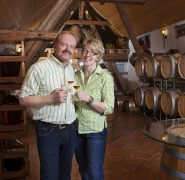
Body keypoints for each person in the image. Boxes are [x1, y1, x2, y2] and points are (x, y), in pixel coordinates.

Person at [19, 31, 78, 180]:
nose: (68, 49)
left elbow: (73, 88)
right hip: (49, 130)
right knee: (50, 175)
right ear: (54, 46)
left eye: (72, 46)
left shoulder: (71, 69)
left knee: (65, 174)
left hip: (70, 128)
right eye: (64, 44)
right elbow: (23, 99)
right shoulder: (38, 68)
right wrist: (50, 98)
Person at [74, 38, 115, 180]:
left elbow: (109, 108)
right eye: (85, 50)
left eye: (93, 52)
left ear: (98, 56)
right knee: (83, 171)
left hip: (95, 132)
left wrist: (90, 99)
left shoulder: (105, 77)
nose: (87, 55)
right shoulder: (75, 76)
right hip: (77, 130)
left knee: (95, 173)